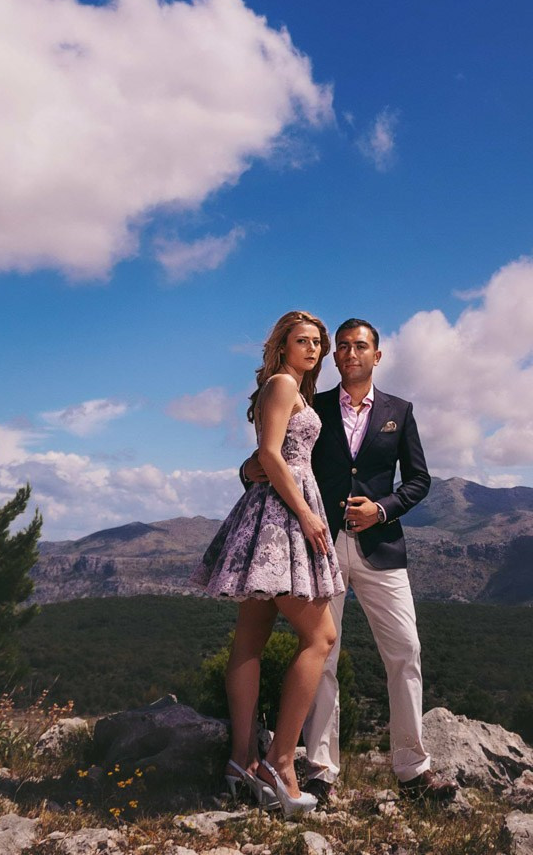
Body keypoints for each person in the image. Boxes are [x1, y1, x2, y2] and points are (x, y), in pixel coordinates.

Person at [242, 317, 456, 801]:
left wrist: (382, 509)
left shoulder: (400, 411)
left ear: (376, 356)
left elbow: (420, 481)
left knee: (405, 652)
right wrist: (245, 468)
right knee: (324, 655)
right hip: (319, 542)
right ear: (335, 357)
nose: (349, 353)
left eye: (360, 346)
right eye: (341, 347)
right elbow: (275, 454)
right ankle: (319, 768)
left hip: (382, 547)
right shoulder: (310, 406)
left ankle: (412, 770)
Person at [189, 310, 344, 816]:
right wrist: (305, 515)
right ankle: (280, 760)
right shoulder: (282, 383)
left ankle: (240, 760)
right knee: (321, 637)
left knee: (250, 639)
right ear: (281, 347)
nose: (314, 349)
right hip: (282, 517)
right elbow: (270, 455)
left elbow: (264, 459)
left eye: (318, 342)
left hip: (278, 510)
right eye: (304, 341)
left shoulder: (294, 388)